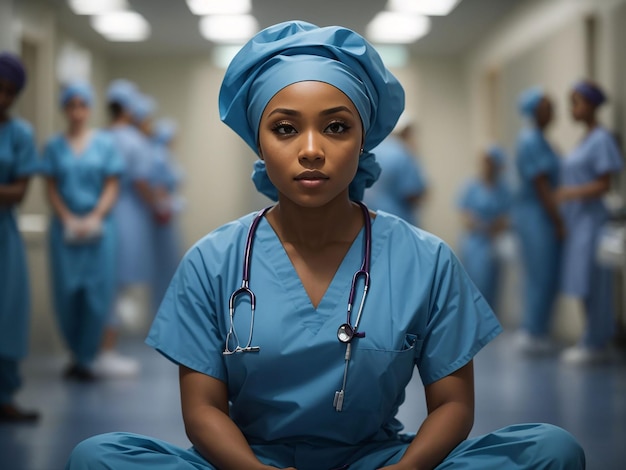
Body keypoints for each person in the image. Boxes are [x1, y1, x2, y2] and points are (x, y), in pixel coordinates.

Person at [66, 21, 584, 469]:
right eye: (285, 128)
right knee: (98, 457)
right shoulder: (214, 261)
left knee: (550, 450)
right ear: (259, 141)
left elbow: (451, 405)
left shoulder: (424, 260)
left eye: (336, 127)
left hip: (378, 460)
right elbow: (202, 411)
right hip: (251, 461)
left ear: (363, 140)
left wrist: (408, 469)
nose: (311, 150)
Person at [40, 81, 124, 381]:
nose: (77, 112)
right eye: (71, 105)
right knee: (66, 294)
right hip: (64, 231)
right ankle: (75, 354)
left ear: (89, 108)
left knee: (96, 294)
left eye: (82, 105)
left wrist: (94, 216)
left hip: (99, 230)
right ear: (65, 109)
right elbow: (50, 188)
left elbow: (112, 185)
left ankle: (88, 357)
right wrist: (67, 218)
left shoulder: (104, 144)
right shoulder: (54, 146)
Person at [557, 80, 624, 365]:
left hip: (593, 222)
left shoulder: (601, 139)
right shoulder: (585, 140)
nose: (572, 109)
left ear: (592, 105)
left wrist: (569, 193)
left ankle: (596, 343)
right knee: (582, 281)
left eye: (577, 102)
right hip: (579, 222)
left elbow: (604, 183)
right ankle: (591, 338)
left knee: (595, 283)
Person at [97, 80, 153, 377]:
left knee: (102, 283)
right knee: (116, 286)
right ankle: (106, 351)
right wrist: (158, 205)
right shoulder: (134, 141)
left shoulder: (99, 137)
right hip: (127, 215)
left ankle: (94, 350)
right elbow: (142, 181)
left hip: (100, 215)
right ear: (130, 108)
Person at [0, 52, 40, 422]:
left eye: (10, 92)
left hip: (5, 237)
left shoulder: (21, 134)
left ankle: (5, 396)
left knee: (7, 314)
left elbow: (18, 192)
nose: (3, 98)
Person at [512, 87, 564, 355]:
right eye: (547, 105)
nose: (553, 109)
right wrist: (558, 220)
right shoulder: (531, 140)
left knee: (545, 273)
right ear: (534, 110)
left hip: (539, 214)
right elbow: (542, 184)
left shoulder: (540, 139)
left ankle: (538, 329)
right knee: (540, 274)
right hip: (536, 215)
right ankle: (532, 331)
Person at [457, 145, 511, 310]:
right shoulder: (471, 186)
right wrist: (484, 225)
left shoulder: (504, 189)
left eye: (491, 162)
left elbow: (506, 218)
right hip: (474, 244)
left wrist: (491, 226)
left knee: (493, 286)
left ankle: (491, 328)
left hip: (494, 244)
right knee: (474, 283)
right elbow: (465, 217)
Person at [363, 113, 427, 226]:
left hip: (368, 221)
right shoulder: (402, 153)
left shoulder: (370, 149)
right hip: (396, 223)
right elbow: (412, 193)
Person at [149, 118, 184, 312]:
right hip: (162, 223)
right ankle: (162, 314)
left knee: (168, 268)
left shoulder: (162, 155)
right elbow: (158, 188)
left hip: (167, 221)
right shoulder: (160, 157)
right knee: (164, 268)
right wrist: (166, 205)